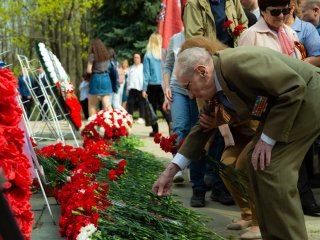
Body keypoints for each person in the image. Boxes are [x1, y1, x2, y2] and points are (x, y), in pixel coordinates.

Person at [153, 46, 320, 240]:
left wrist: (266, 140)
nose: (189, 95)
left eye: (188, 86)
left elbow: (294, 87)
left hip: (308, 96)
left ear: (202, 71)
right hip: (287, 106)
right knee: (254, 162)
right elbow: (201, 129)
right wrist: (170, 172)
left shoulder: (238, 63)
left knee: (272, 167)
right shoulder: (214, 86)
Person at [284, 0, 320, 216]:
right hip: (280, 99)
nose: (281, 12)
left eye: (284, 7)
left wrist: (292, 67)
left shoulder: (305, 29)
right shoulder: (261, 31)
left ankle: (306, 199)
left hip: (304, 95)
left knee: (304, 150)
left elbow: (318, 56)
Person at [143, 33, 172, 137]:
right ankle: (170, 124)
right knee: (164, 106)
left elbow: (146, 74)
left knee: (152, 107)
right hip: (163, 83)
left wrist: (144, 88)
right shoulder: (164, 53)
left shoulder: (148, 55)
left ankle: (155, 131)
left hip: (152, 85)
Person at [86, 38, 112, 118]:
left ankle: (92, 124)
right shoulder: (106, 55)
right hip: (106, 78)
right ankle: (112, 122)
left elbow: (89, 70)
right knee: (107, 103)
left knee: (92, 104)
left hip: (96, 78)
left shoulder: (92, 56)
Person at [127, 52, 145, 123]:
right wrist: (127, 89)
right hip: (132, 88)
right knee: (130, 103)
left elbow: (145, 78)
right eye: (135, 57)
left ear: (140, 59)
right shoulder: (131, 68)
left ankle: (141, 117)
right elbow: (128, 79)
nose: (136, 59)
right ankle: (130, 117)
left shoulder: (143, 67)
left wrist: (145, 89)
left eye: (137, 57)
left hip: (140, 88)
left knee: (141, 103)